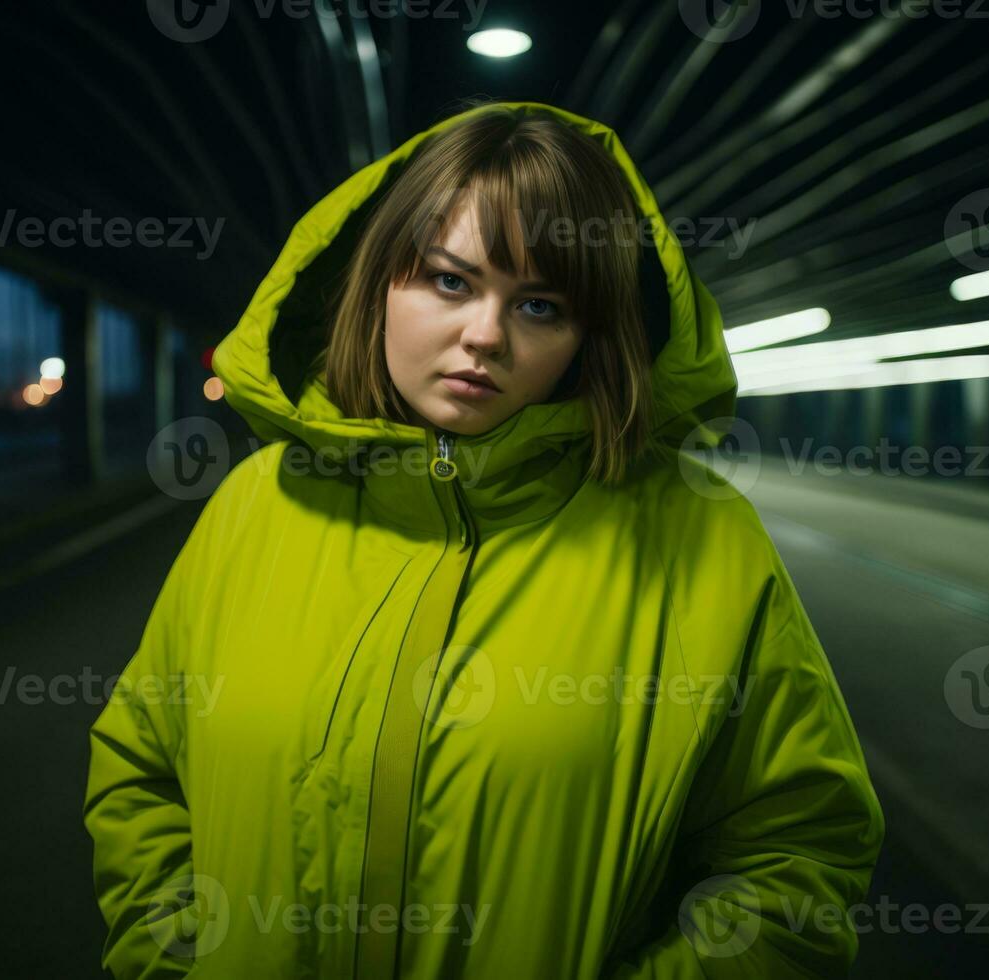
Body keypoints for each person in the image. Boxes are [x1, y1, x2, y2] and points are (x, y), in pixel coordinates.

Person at [83, 99, 884, 979]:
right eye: (450, 281)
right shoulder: (254, 507)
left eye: (541, 305)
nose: (486, 336)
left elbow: (797, 856)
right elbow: (142, 764)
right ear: (376, 279)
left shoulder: (699, 540)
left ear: (589, 338)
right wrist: (172, 962)